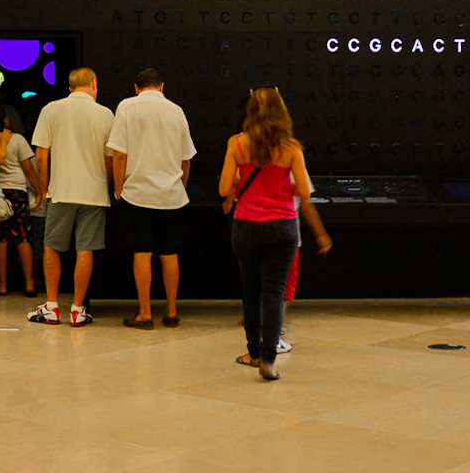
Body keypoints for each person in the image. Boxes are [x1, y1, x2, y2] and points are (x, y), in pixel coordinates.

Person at [219, 87, 332, 379]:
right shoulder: (291, 147)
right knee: (274, 292)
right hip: (282, 227)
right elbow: (304, 191)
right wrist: (282, 185)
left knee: (250, 291)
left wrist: (243, 180)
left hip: (245, 226)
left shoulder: (237, 143)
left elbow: (223, 189)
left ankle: (253, 352)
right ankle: (269, 359)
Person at [109, 68, 197, 327]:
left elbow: (119, 155)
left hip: (137, 194)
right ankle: (171, 312)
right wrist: (180, 185)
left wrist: (118, 188)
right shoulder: (176, 110)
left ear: (136, 87)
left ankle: (145, 313)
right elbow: (186, 159)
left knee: (142, 253)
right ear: (162, 86)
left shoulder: (127, 107)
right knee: (169, 254)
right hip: (171, 196)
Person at [28, 67, 115, 328]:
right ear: (94, 84)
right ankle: (78, 309)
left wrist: (45, 188)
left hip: (62, 190)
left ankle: (52, 306)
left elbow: (41, 155)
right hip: (94, 192)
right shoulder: (105, 114)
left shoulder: (51, 110)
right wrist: (105, 184)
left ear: (69, 87)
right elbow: (111, 158)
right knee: (85, 248)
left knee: (52, 246)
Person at [0, 104, 43, 296]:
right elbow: (28, 168)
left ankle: (2, 285)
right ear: (5, 120)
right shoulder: (17, 139)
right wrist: (39, 190)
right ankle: (29, 284)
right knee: (23, 238)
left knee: (2, 239)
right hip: (18, 191)